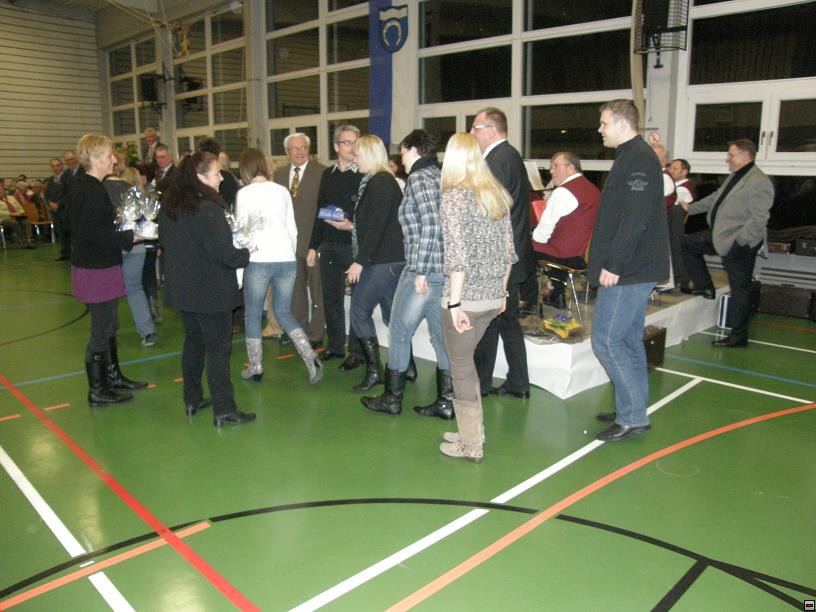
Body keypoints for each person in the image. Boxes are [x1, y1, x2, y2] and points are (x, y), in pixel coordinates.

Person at [590, 99, 669, 442]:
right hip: (634, 267)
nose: (600, 129)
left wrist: (615, 264)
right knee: (627, 341)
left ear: (622, 124)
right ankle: (632, 405)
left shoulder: (638, 158)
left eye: (604, 123)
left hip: (629, 269)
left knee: (606, 340)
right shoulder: (630, 155)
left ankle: (632, 415)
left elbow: (635, 218)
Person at [437, 133, 517, 462]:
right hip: (492, 297)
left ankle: (471, 445)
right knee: (467, 365)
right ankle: (471, 431)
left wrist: (455, 303)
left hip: (465, 300)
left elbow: (456, 258)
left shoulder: (453, 197)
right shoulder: (496, 194)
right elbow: (509, 253)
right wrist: (503, 292)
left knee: (460, 368)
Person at [159, 152, 254, 427]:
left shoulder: (171, 207)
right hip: (210, 291)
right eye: (216, 173)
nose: (221, 178)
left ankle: (192, 399)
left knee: (194, 344)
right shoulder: (209, 209)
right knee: (218, 350)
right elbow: (223, 253)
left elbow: (167, 243)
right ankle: (224, 409)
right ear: (199, 177)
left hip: (184, 291)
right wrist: (246, 253)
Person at [362, 129, 452, 418]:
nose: (400, 159)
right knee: (440, 338)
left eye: (402, 152)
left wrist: (421, 271)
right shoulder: (440, 176)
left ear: (414, 150)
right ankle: (446, 402)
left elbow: (432, 225)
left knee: (400, 331)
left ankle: (392, 398)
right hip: (443, 271)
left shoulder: (419, 178)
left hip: (422, 270)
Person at [69, 133, 148, 407]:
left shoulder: (88, 186)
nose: (113, 160)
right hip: (96, 268)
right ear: (93, 159)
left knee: (110, 325)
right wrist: (130, 237)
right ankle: (98, 390)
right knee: (102, 329)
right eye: (108, 155)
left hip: (99, 264)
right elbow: (92, 233)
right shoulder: (90, 190)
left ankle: (113, 378)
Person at [236, 147, 323, 384]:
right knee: (284, 312)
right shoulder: (282, 190)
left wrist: (239, 271)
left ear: (245, 169)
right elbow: (292, 229)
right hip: (286, 258)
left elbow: (242, 233)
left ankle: (256, 366)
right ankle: (310, 356)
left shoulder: (244, 193)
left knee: (253, 314)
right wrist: (290, 254)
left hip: (258, 259)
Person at [680, 139, 773, 348]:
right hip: (721, 235)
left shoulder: (759, 181)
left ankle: (738, 336)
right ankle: (705, 287)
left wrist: (741, 242)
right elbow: (715, 198)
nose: (727, 159)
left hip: (739, 242)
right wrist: (689, 208)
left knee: (740, 288)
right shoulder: (736, 176)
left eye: (730, 155)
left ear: (744, 155)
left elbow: (759, 218)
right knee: (687, 244)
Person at [469, 107, 531, 400]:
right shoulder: (510, 156)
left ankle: (482, 383)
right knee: (506, 322)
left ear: (491, 129)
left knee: (490, 322)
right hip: (511, 255)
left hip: (500, 258)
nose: (472, 133)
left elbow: (489, 214)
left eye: (475, 127)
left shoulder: (496, 161)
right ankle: (518, 382)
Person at [342, 134, 405, 392]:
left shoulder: (380, 181)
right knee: (392, 317)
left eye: (357, 155)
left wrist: (360, 261)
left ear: (368, 155)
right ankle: (407, 368)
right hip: (389, 259)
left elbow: (376, 226)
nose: (354, 160)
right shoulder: (380, 180)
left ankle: (374, 371)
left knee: (358, 311)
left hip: (382, 260)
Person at [307, 125, 365, 370]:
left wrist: (351, 225)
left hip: (353, 246)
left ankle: (357, 351)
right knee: (331, 298)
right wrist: (313, 246)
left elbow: (369, 214)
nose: (352, 147)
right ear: (336, 146)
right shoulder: (328, 174)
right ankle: (335, 345)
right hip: (329, 244)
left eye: (355, 142)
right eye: (347, 142)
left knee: (358, 301)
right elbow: (320, 210)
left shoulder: (363, 174)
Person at [273, 133, 327, 345]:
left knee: (318, 292)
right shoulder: (279, 175)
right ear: (287, 152)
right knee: (294, 293)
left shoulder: (322, 172)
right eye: (294, 148)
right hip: (288, 245)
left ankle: (316, 334)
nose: (300, 151)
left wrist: (317, 243)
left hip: (314, 243)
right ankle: (299, 332)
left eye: (303, 147)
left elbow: (325, 209)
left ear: (309, 149)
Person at [532, 151, 600, 310]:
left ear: (571, 168)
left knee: (521, 248)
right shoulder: (592, 189)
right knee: (557, 241)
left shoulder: (563, 192)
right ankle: (555, 292)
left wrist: (530, 238)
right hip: (587, 254)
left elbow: (542, 235)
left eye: (555, 166)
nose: (551, 171)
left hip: (569, 256)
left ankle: (530, 302)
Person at [103, 150, 158, 348]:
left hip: (113, 245)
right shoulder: (133, 189)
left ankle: (108, 331)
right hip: (137, 244)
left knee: (108, 290)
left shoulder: (100, 189)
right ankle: (148, 331)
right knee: (135, 288)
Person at [668, 158, 695, 292]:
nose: (670, 171)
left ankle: (680, 280)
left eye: (675, 169)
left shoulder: (684, 189)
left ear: (684, 172)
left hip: (678, 227)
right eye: (670, 168)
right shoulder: (674, 186)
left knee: (677, 252)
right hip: (674, 226)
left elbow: (669, 201)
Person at [46, 158, 71, 260]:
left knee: (69, 231)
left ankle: (75, 253)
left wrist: (58, 204)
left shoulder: (68, 178)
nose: (55, 168)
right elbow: (46, 194)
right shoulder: (50, 180)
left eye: (57, 165)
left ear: (62, 166)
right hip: (55, 212)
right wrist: (49, 203)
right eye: (53, 166)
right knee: (60, 231)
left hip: (66, 210)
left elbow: (68, 194)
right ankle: (65, 253)